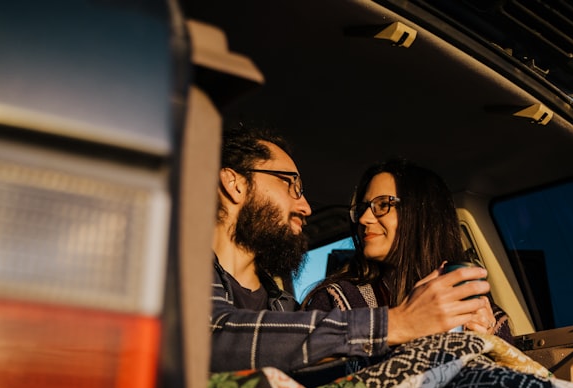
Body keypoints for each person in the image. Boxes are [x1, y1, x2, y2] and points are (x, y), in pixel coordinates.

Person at [210, 124, 492, 373]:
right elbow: (211, 336)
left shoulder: (287, 310)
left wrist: (477, 343)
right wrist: (399, 323)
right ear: (235, 184)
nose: (305, 206)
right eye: (291, 184)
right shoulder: (173, 270)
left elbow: (341, 382)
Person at [302, 158, 514, 345]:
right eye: (363, 208)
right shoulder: (337, 301)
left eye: (383, 204)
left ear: (422, 215)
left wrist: (487, 342)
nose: (364, 218)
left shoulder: (484, 313)